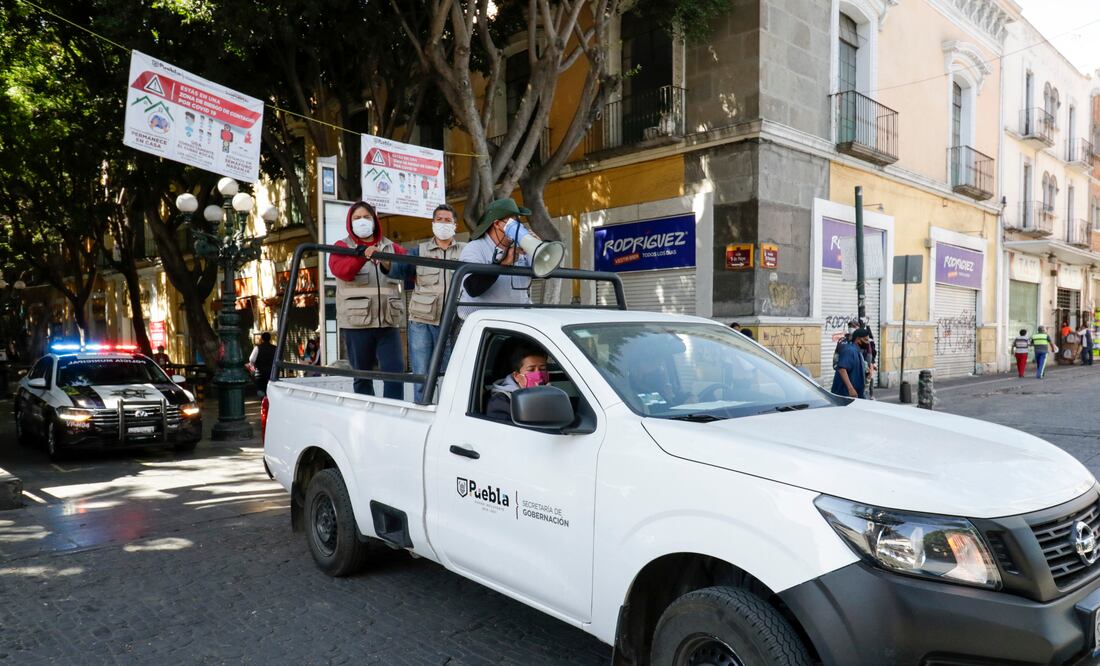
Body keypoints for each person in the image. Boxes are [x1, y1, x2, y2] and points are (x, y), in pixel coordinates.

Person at [328, 201, 408, 398]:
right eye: (357, 218)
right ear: (350, 222)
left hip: (388, 322)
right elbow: (342, 271)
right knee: (362, 376)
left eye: (366, 217)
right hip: (357, 324)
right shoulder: (342, 246)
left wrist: (389, 264)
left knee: (395, 373)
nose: (362, 221)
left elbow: (409, 271)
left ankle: (393, 414)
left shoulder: (391, 247)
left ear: (375, 221)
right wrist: (362, 255)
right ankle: (366, 417)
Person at [404, 204, 467, 402]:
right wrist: (384, 258)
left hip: (454, 322)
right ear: (433, 223)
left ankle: (448, 415)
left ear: (455, 225)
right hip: (422, 321)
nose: (443, 223)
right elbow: (399, 271)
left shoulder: (466, 252)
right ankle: (422, 411)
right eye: (439, 219)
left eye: (448, 220)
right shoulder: (419, 251)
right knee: (422, 375)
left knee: (452, 375)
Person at [458, 198, 533, 319]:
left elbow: (545, 272)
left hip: (519, 321)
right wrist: (502, 265)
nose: (518, 226)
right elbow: (472, 288)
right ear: (497, 224)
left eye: (518, 221)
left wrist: (536, 247)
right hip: (484, 325)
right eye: (512, 222)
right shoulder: (475, 248)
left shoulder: (521, 247)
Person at [486, 345, 549, 423]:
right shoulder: (501, 402)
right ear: (516, 376)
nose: (538, 374)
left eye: (543, 369)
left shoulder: (552, 393)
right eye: (531, 370)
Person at [831, 328, 870, 399]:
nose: (868, 343)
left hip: (856, 394)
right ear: (858, 339)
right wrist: (850, 389)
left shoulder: (858, 352)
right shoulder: (849, 350)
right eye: (866, 340)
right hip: (845, 394)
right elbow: (842, 369)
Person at [249, 332, 277, 397]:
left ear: (262, 339)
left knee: (261, 391)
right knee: (271, 390)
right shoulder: (275, 348)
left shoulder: (258, 348)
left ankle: (263, 402)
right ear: (270, 338)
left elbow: (252, 359)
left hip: (260, 374)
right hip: (271, 373)